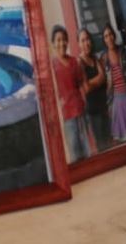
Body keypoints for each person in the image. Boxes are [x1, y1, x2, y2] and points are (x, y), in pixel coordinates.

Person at [49, 25, 91, 162]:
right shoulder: (52, 66)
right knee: (74, 154)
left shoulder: (74, 62)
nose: (62, 43)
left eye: (64, 40)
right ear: (53, 43)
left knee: (87, 150)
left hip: (80, 112)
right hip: (66, 117)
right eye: (58, 40)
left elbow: (82, 86)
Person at [78, 28, 110, 153]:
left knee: (109, 141)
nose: (87, 43)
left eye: (88, 39)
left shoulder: (95, 58)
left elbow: (104, 77)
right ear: (79, 44)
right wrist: (99, 79)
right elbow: (86, 87)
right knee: (101, 146)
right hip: (93, 112)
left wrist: (93, 82)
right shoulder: (80, 62)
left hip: (104, 107)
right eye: (83, 40)